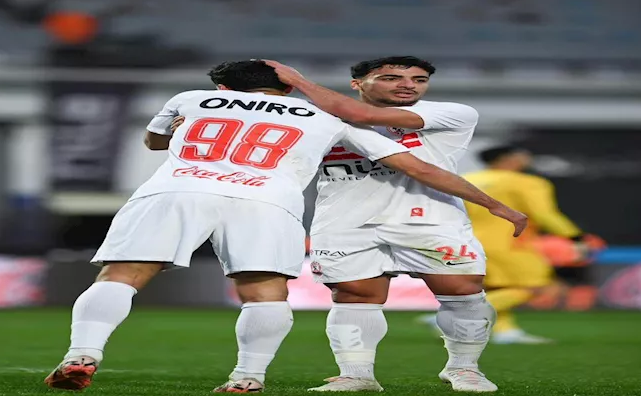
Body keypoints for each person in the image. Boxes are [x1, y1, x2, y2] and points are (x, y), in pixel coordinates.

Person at [43, 60, 526, 393]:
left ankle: (82, 353)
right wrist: (494, 205)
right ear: (289, 88)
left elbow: (154, 142)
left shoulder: (191, 98)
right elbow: (416, 166)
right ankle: (248, 377)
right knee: (264, 294)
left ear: (223, 89)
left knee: (120, 277)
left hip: (177, 190)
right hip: (267, 200)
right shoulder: (322, 117)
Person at [264, 57, 505, 392]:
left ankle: (464, 369)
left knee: (463, 290)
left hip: (429, 217)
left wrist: (299, 82)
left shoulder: (450, 113)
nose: (408, 85)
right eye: (391, 78)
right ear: (357, 83)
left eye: (419, 80)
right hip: (344, 219)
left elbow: (360, 115)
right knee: (353, 295)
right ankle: (357, 374)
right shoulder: (319, 118)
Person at [454, 145, 604, 344]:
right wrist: (575, 237)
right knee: (536, 287)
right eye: (522, 155)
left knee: (498, 288)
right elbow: (544, 214)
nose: (527, 158)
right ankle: (457, 317)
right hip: (511, 243)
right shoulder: (527, 182)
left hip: (468, 241)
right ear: (508, 158)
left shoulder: (466, 179)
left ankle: (506, 332)